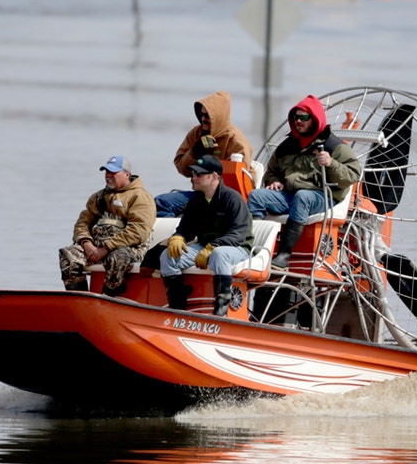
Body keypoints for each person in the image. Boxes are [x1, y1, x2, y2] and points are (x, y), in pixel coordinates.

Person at [247, 95, 361, 269]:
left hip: (324, 197)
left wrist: (332, 163)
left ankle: (284, 255)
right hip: (290, 195)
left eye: (304, 117)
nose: (298, 121)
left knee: (303, 197)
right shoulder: (287, 146)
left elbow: (353, 174)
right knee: (257, 196)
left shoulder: (335, 146)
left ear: (314, 119)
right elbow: (272, 171)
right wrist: (274, 181)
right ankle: (255, 249)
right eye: (295, 117)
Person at [159, 155, 253, 316]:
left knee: (219, 254)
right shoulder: (196, 202)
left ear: (215, 176)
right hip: (205, 248)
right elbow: (185, 229)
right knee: (167, 256)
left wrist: (214, 246)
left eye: (199, 174)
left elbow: (238, 233)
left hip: (237, 249)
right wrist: (178, 237)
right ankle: (178, 309)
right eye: (193, 174)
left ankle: (221, 312)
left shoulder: (233, 199)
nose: (194, 178)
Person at [58, 155, 156, 296]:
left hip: (129, 248)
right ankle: (80, 299)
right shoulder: (98, 197)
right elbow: (82, 222)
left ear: (126, 175)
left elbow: (139, 231)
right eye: (106, 172)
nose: (108, 176)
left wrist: (106, 248)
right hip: (96, 247)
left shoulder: (140, 197)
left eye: (113, 172)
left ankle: (109, 297)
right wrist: (87, 244)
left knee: (118, 257)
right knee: (68, 254)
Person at [154, 90, 253, 218]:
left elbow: (238, 180)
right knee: (160, 202)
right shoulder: (196, 134)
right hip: (200, 193)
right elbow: (181, 167)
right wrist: (196, 151)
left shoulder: (235, 140)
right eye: (201, 114)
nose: (203, 119)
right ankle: (177, 235)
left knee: (166, 202)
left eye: (207, 116)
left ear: (217, 117)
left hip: (225, 197)